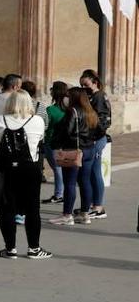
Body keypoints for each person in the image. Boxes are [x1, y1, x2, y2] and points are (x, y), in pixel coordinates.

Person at [0, 90, 51, 259]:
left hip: (6, 169)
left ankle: (10, 248)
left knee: (7, 209)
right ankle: (34, 247)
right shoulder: (38, 121)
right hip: (30, 168)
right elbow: (39, 143)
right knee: (33, 209)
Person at [50, 87, 101, 225]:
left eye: (68, 95)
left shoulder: (72, 112)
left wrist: (55, 143)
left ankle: (67, 215)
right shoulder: (91, 111)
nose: (66, 98)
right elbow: (100, 130)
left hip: (74, 150)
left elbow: (66, 130)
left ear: (73, 97)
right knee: (85, 181)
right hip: (89, 149)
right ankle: (85, 214)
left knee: (70, 183)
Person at [79, 69, 110, 219]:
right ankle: (92, 205)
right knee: (91, 172)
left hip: (96, 139)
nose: (84, 89)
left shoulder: (98, 97)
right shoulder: (94, 96)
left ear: (95, 82)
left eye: (86, 85)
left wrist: (95, 137)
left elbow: (102, 121)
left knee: (94, 172)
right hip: (92, 139)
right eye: (82, 86)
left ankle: (98, 207)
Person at [41, 82, 68, 203]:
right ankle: (61, 193)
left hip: (52, 142)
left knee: (57, 169)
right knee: (62, 169)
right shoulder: (69, 110)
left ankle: (59, 194)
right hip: (65, 142)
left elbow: (45, 126)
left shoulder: (50, 110)